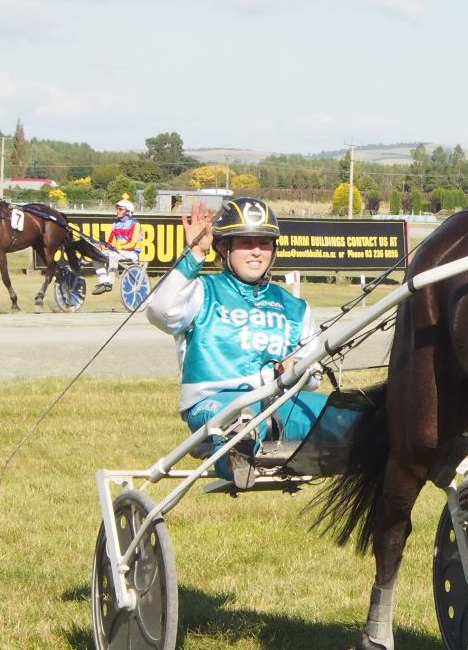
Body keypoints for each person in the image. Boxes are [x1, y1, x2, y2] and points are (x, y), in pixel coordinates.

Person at [146, 196, 326, 476]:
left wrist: (297, 370)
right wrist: (193, 255)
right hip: (214, 405)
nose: (256, 252)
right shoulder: (202, 291)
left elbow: (314, 378)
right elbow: (161, 313)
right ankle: (238, 459)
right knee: (242, 420)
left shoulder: (295, 307)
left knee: (351, 415)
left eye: (264, 243)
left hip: (279, 407)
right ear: (223, 248)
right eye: (245, 243)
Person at [93, 198, 142, 294]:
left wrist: (117, 248)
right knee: (95, 255)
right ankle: (104, 281)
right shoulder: (115, 224)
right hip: (118, 252)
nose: (117, 211)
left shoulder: (135, 224)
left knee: (113, 255)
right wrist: (102, 247)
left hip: (132, 253)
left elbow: (132, 243)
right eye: (117, 209)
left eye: (120, 209)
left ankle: (109, 283)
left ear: (128, 211)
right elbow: (110, 242)